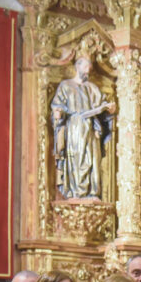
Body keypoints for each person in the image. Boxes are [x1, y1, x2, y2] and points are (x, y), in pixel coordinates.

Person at [51, 56, 115, 200]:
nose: (88, 72)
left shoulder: (92, 88)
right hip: (74, 127)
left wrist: (109, 109)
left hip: (91, 128)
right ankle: (76, 192)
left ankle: (92, 192)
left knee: (92, 159)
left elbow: (102, 106)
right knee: (77, 158)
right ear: (77, 67)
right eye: (86, 68)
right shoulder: (66, 86)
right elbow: (57, 106)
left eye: (90, 69)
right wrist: (58, 113)